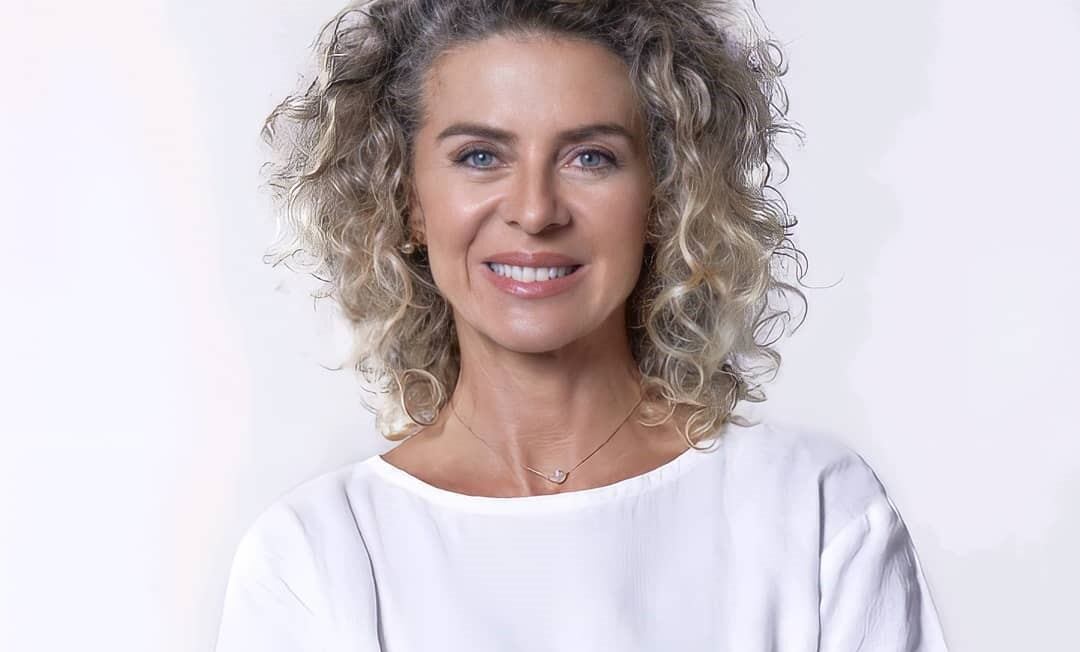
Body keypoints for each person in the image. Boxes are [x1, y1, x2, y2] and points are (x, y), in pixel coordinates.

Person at [215, 0, 948, 649]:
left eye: (590, 157)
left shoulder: (815, 511)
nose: (535, 211)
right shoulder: (318, 554)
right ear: (408, 200)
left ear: (665, 196)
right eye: (480, 156)